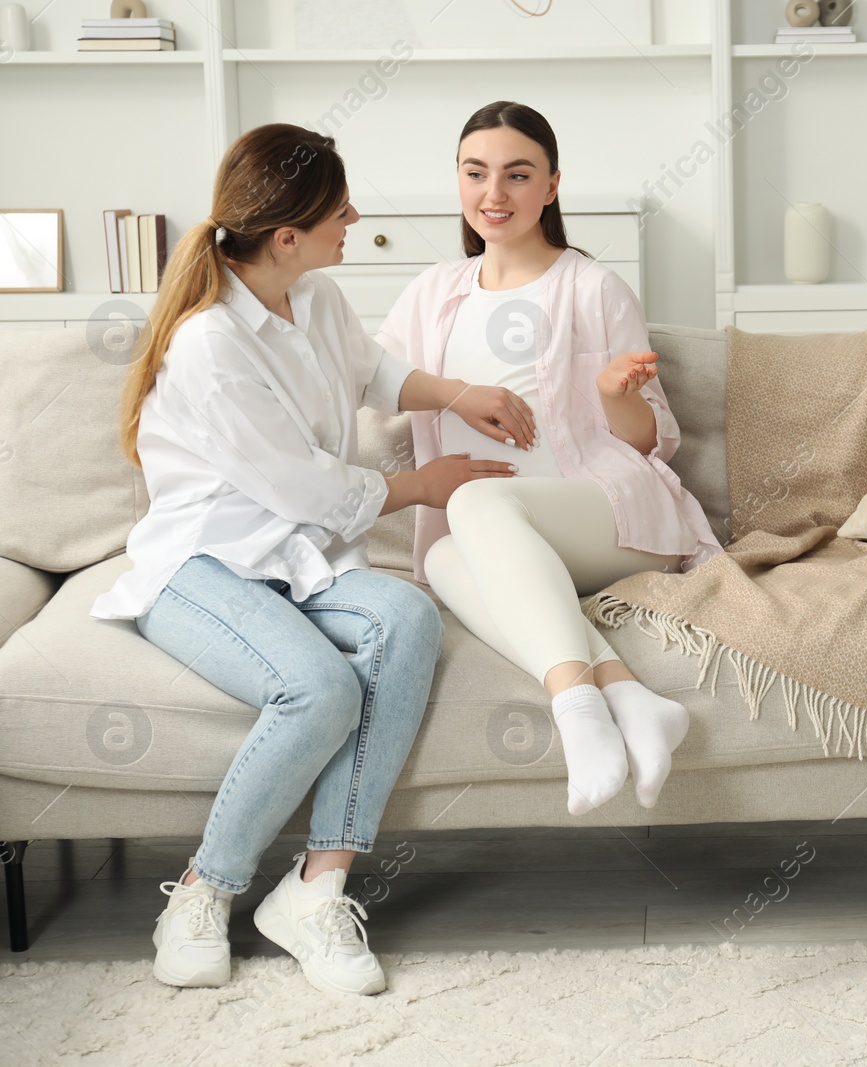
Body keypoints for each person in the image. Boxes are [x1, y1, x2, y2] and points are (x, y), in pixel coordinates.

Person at [90, 123, 524, 995]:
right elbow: (308, 490)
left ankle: (317, 887)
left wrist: (458, 392)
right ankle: (204, 890)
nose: (353, 217)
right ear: (285, 236)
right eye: (339, 209)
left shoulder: (316, 298)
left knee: (405, 616)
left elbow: (372, 372)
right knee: (318, 688)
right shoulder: (210, 345)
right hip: (205, 564)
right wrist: (424, 484)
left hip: (300, 559)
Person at [378, 100, 724, 818]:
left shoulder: (591, 287)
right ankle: (629, 695)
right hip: (500, 535)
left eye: (517, 174)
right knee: (443, 557)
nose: (493, 194)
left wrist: (611, 393)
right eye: (475, 174)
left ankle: (574, 706)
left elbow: (646, 440)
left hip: (608, 512)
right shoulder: (432, 293)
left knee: (468, 503)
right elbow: (371, 382)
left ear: (552, 185)